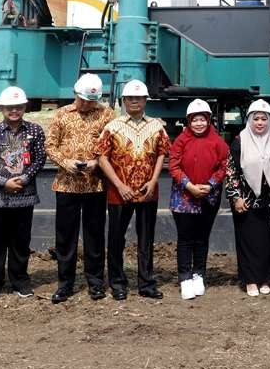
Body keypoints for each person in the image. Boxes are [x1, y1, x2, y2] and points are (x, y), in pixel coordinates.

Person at [44, 72, 115, 303]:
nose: (86, 105)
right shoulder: (62, 114)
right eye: (83, 100)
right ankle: (65, 283)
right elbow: (50, 145)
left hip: (95, 185)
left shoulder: (106, 114)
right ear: (76, 94)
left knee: (94, 236)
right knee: (65, 237)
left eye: (91, 101)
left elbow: (113, 145)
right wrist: (66, 163)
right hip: (67, 185)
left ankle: (95, 282)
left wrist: (97, 163)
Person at [96, 80, 170, 300]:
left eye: (139, 98)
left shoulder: (156, 126)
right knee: (116, 239)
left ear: (146, 100)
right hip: (119, 193)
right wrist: (119, 185)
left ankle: (147, 283)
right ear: (124, 101)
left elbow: (162, 154)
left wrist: (154, 180)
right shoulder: (113, 126)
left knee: (146, 239)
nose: (135, 101)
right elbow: (101, 158)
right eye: (130, 98)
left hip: (148, 192)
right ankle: (118, 284)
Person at [0, 86, 46, 301]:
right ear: (1, 108)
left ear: (25, 107)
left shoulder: (35, 130)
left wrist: (24, 179)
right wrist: (3, 182)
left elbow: (39, 158)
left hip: (24, 196)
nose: (14, 111)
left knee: (20, 240)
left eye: (18, 107)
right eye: (9, 107)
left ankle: (20, 280)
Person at [169, 99, 229, 300]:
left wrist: (211, 184)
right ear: (188, 121)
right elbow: (174, 166)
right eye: (195, 120)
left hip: (208, 196)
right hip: (184, 195)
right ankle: (185, 276)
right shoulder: (180, 141)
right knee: (186, 238)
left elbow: (223, 166)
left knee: (202, 237)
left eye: (202, 120)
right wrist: (189, 185)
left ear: (209, 120)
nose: (199, 124)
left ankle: (199, 274)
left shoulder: (218, 142)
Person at [225, 99, 270, 297]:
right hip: (246, 201)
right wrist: (235, 197)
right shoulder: (240, 141)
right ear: (249, 120)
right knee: (248, 240)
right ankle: (250, 279)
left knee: (268, 240)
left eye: (263, 119)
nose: (259, 123)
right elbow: (231, 171)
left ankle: (265, 278)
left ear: (269, 121)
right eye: (255, 118)